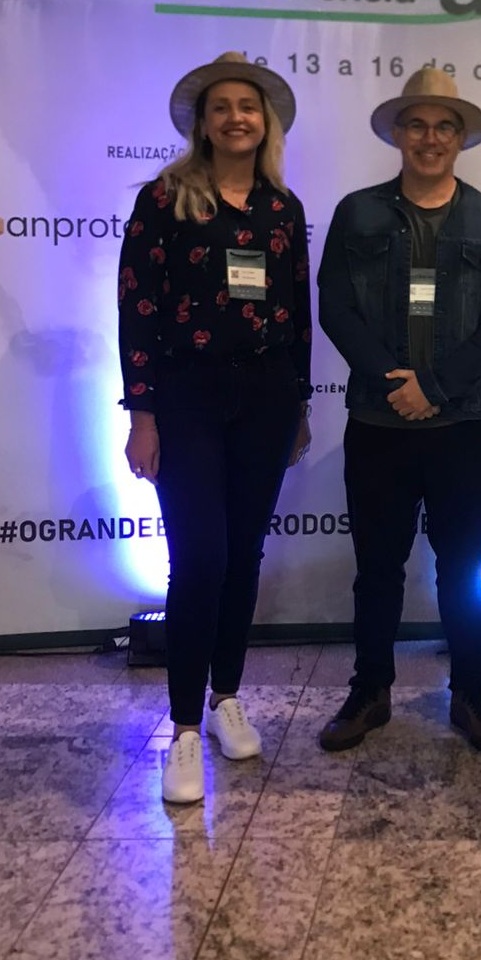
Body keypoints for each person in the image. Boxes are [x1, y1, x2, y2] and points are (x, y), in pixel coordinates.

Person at [119, 51, 312, 805]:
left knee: (242, 557)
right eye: (222, 106)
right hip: (187, 399)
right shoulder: (164, 199)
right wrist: (142, 415)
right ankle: (183, 730)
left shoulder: (282, 208)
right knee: (199, 559)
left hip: (266, 399)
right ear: (202, 121)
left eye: (248, 106)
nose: (237, 117)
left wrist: (299, 405)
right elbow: (137, 309)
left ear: (266, 123)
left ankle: (227, 696)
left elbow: (296, 314)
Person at [317, 67, 481, 753]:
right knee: (377, 568)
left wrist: (433, 385)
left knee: (463, 567)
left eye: (443, 127)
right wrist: (392, 382)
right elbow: (336, 308)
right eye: (417, 125)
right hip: (377, 424)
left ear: (460, 138)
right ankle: (370, 690)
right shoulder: (357, 213)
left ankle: (471, 691)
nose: (429, 138)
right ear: (398, 134)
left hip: (462, 425)